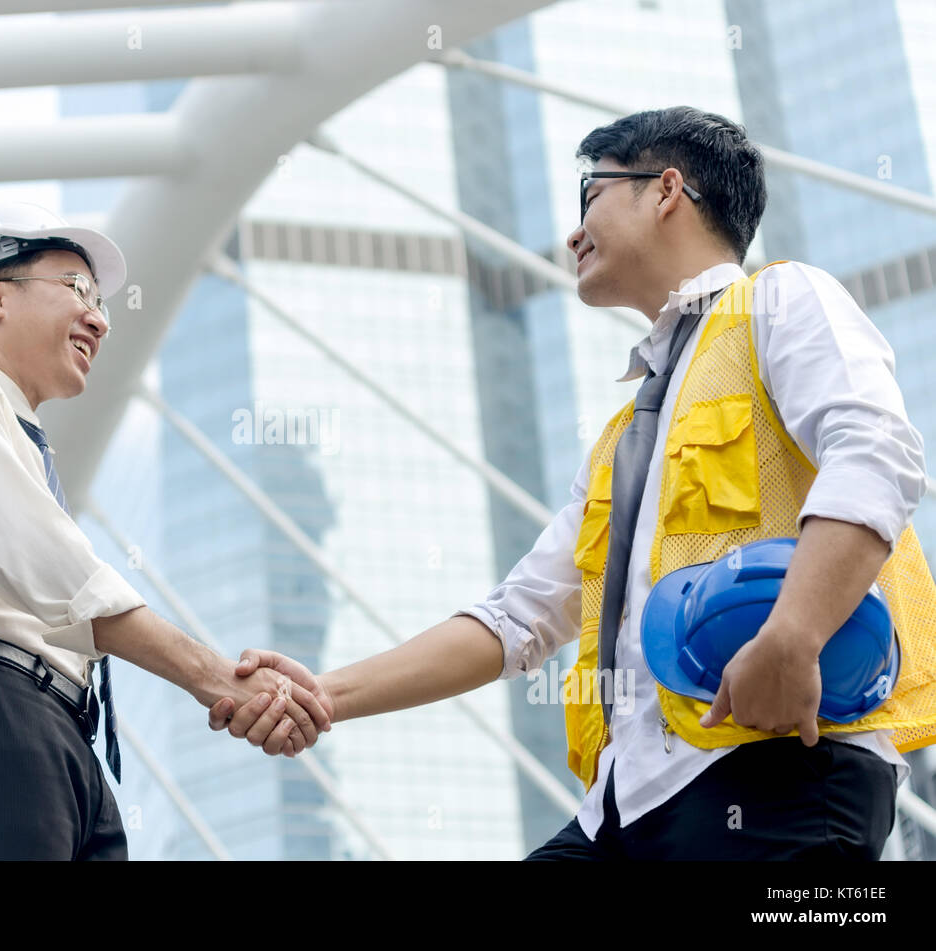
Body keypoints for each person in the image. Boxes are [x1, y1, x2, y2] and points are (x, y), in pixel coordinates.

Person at [214, 106, 936, 860]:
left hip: (776, 769)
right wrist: (323, 694)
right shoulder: (621, 443)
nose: (572, 233)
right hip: (625, 805)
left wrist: (793, 634)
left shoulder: (782, 301)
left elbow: (876, 453)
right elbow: (517, 618)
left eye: (590, 194)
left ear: (665, 190)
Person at [0, 202, 329, 861]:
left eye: (101, 299)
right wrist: (211, 673)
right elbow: (31, 553)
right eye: (77, 289)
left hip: (50, 732)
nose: (100, 318)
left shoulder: (15, 430)